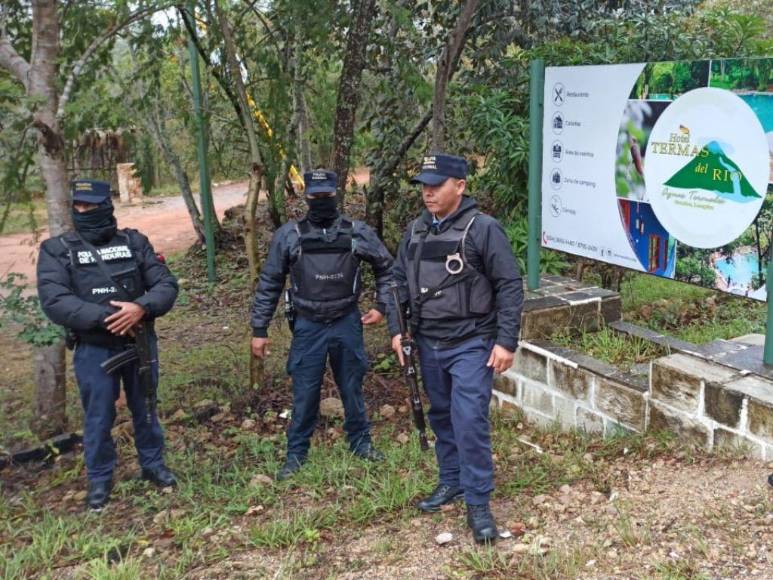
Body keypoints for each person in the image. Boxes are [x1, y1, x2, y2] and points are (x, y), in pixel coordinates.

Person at [389, 154, 523, 543]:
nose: (428, 193)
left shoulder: (483, 229)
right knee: (442, 416)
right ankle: (451, 481)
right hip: (427, 341)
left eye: (436, 185)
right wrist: (397, 330)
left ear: (460, 186)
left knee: (469, 420)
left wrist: (506, 341)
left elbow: (509, 285)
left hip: (472, 342)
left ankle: (478, 503)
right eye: (424, 186)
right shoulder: (416, 230)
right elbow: (397, 282)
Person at [37, 180, 179, 511]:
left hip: (139, 342)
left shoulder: (134, 242)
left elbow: (166, 284)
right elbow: (55, 301)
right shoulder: (57, 250)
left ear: (106, 206)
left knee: (146, 408)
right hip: (94, 347)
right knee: (99, 416)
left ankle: (153, 465)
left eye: (90, 205)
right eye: (78, 205)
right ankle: (100, 479)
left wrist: (141, 308)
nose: (83, 211)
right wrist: (110, 317)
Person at [250, 169, 394, 480]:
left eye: (327, 195)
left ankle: (361, 444)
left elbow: (386, 268)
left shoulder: (357, 232)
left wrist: (382, 306)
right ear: (307, 197)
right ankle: (296, 454)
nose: (321, 200)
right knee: (305, 392)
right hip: (308, 324)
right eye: (315, 195)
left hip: (346, 320)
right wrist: (259, 329)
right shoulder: (289, 235)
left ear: (335, 194)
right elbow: (270, 282)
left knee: (352, 387)